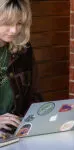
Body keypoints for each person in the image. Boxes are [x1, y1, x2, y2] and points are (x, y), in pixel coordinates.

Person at [0, 0, 42, 132]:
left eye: (19, 23)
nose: (14, 30)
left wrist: (39, 117)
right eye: (7, 23)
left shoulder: (24, 50)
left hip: (13, 130)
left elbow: (33, 94)